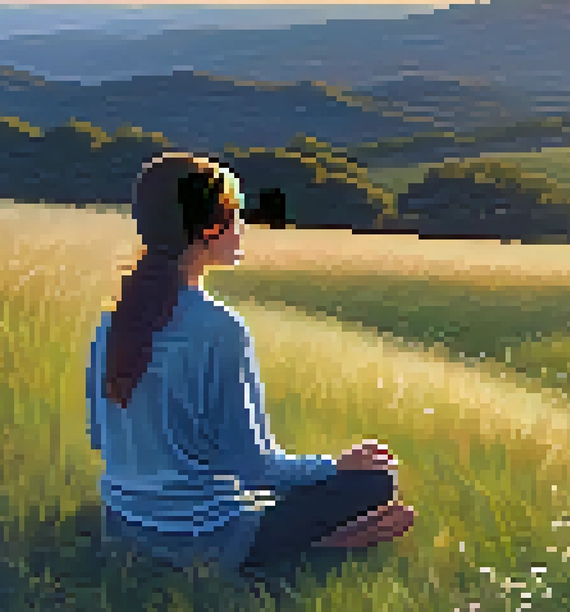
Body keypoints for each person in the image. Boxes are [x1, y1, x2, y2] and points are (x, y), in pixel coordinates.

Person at [87, 151, 414, 581]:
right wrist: (338, 465)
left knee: (276, 495)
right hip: (205, 538)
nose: (242, 228)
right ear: (209, 230)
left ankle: (313, 539)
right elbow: (258, 470)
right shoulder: (219, 328)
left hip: (124, 525)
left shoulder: (114, 320)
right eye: (235, 215)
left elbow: (99, 435)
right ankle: (320, 545)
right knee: (376, 481)